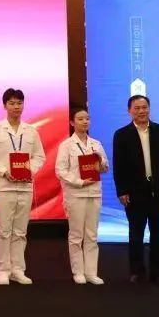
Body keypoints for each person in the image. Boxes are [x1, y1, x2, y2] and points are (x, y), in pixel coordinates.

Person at [112, 94, 159, 286]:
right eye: (137, 108)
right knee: (136, 233)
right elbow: (119, 165)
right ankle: (136, 272)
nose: (141, 111)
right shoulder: (122, 134)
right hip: (134, 192)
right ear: (129, 111)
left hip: (158, 190)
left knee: (158, 232)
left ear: (149, 109)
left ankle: (158, 273)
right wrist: (121, 191)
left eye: (144, 107)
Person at [0, 88, 45, 285]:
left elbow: (39, 156)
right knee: (4, 230)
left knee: (20, 231)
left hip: (25, 186)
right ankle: (3, 270)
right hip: (4, 186)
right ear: (5, 106)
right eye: (12, 103)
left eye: (19, 103)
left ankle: (18, 269)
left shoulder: (31, 130)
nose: (16, 107)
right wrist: (3, 171)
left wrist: (29, 170)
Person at [55, 106, 109, 285]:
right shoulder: (66, 145)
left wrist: (100, 163)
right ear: (72, 122)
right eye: (80, 119)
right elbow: (60, 170)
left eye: (87, 118)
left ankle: (91, 272)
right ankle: (78, 271)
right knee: (76, 235)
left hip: (94, 193)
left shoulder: (96, 144)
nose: (85, 121)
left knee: (92, 234)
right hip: (76, 194)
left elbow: (105, 167)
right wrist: (78, 181)